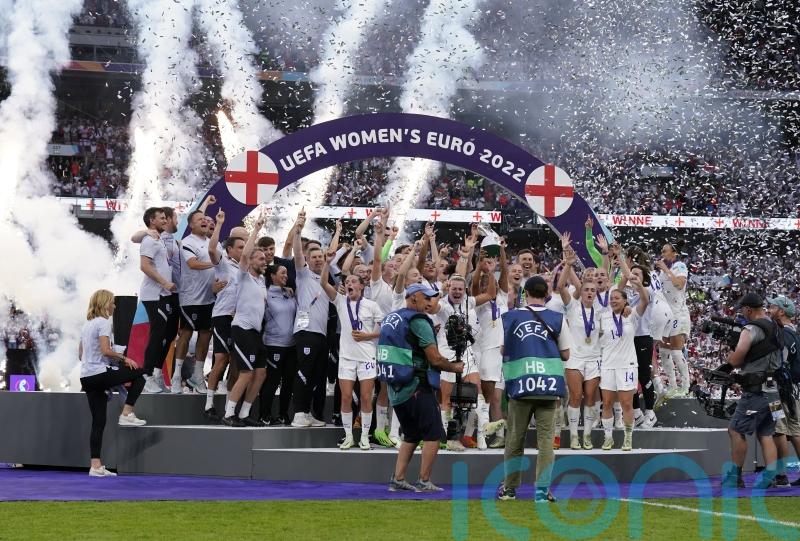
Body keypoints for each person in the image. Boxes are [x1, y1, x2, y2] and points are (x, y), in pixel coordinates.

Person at [381, 283, 464, 492]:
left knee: (411, 434)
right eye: (426, 298)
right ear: (413, 297)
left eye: (431, 298)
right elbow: (435, 359)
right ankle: (424, 480)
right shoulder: (419, 321)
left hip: (396, 388)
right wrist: (454, 367)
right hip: (417, 385)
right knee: (434, 433)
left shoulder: (393, 317)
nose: (430, 302)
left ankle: (397, 479)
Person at [497, 276, 572, 503]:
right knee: (546, 441)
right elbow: (566, 354)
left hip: (521, 382)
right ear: (546, 294)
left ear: (525, 293)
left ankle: (510, 490)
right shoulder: (557, 318)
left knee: (514, 440)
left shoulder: (510, 317)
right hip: (548, 385)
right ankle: (541, 492)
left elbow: (502, 350)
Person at [79, 290, 147, 477]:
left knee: (98, 421)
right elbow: (105, 351)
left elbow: (81, 354)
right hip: (98, 374)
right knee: (140, 374)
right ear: (105, 304)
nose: (115, 306)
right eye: (112, 303)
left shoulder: (86, 325)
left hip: (86, 377)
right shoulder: (103, 323)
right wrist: (124, 358)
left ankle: (95, 466)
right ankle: (127, 413)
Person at [321, 249, 383, 450]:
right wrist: (327, 263)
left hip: (367, 357)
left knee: (366, 397)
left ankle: (364, 436)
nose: (349, 284)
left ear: (362, 286)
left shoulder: (372, 305)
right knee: (346, 397)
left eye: (354, 281)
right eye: (347, 282)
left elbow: (382, 329)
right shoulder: (340, 301)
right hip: (347, 358)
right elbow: (323, 284)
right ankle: (348, 436)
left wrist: (367, 336)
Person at [722, 292, 784, 489]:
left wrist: (730, 359)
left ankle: (735, 478)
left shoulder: (750, 328)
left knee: (735, 430)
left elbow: (737, 359)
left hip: (757, 391)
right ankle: (771, 477)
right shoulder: (775, 326)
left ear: (748, 309)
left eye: (743, 310)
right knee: (766, 433)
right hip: (775, 390)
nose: (742, 313)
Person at [222, 214, 269, 427]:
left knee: (260, 373)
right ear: (249, 261)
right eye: (260, 259)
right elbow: (244, 256)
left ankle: (244, 413)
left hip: (255, 333)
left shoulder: (262, 281)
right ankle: (228, 413)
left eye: (265, 259)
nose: (264, 261)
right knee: (246, 372)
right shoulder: (243, 276)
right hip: (242, 329)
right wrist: (256, 230)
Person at [598, 268, 650, 451]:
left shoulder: (632, 314)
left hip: (627, 365)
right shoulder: (603, 317)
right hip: (608, 365)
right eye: (611, 299)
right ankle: (608, 438)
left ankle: (628, 438)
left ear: (625, 301)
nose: (613, 301)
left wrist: (639, 284)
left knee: (627, 403)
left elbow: (645, 300)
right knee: (607, 403)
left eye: (617, 298)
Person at [290, 209, 331, 427]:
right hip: (306, 332)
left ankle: (307, 412)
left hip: (321, 334)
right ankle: (298, 413)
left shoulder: (326, 282)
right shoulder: (303, 275)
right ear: (307, 259)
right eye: (313, 257)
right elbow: (297, 254)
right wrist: (298, 230)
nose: (317, 260)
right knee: (304, 372)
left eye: (320, 257)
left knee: (315, 376)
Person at [203, 209, 245, 421]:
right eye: (240, 247)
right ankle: (209, 403)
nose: (244, 250)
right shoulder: (224, 263)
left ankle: (230, 406)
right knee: (221, 359)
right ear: (229, 249)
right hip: (222, 316)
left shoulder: (246, 268)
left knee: (236, 362)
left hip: (239, 320)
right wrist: (219, 223)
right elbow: (212, 249)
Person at [174, 210, 216, 394]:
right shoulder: (188, 242)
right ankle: (177, 376)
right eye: (200, 220)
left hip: (210, 297)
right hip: (191, 297)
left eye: (206, 219)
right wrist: (215, 264)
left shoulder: (212, 243)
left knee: (206, 333)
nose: (205, 221)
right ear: (191, 225)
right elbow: (193, 264)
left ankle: (197, 376)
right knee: (186, 333)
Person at [137, 207, 177, 394]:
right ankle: (146, 376)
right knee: (157, 335)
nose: (165, 220)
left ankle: (155, 372)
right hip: (154, 295)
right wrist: (164, 282)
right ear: (152, 221)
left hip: (163, 294)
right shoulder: (149, 240)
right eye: (161, 218)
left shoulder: (157, 238)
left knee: (167, 334)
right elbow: (144, 266)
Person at [767, 295, 800, 487]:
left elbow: (780, 364)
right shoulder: (793, 333)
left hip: (779, 391)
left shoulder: (783, 335)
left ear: (781, 311)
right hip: (794, 390)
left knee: (779, 429)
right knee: (795, 431)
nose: (769, 310)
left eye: (772, 307)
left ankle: (781, 475)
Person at [259, 264, 297, 425]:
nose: (286, 276)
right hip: (273, 344)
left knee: (288, 382)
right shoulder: (265, 294)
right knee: (272, 381)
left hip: (292, 346)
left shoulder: (289, 293)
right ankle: (264, 414)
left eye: (287, 273)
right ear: (272, 276)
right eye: (282, 273)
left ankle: (283, 414)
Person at [656, 243, 691, 397]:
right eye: (661, 251)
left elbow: (679, 285)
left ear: (674, 253)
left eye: (665, 251)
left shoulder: (679, 266)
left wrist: (665, 269)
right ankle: (672, 386)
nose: (662, 253)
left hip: (678, 313)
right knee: (664, 352)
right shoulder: (660, 273)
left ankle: (686, 387)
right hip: (665, 315)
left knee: (676, 352)